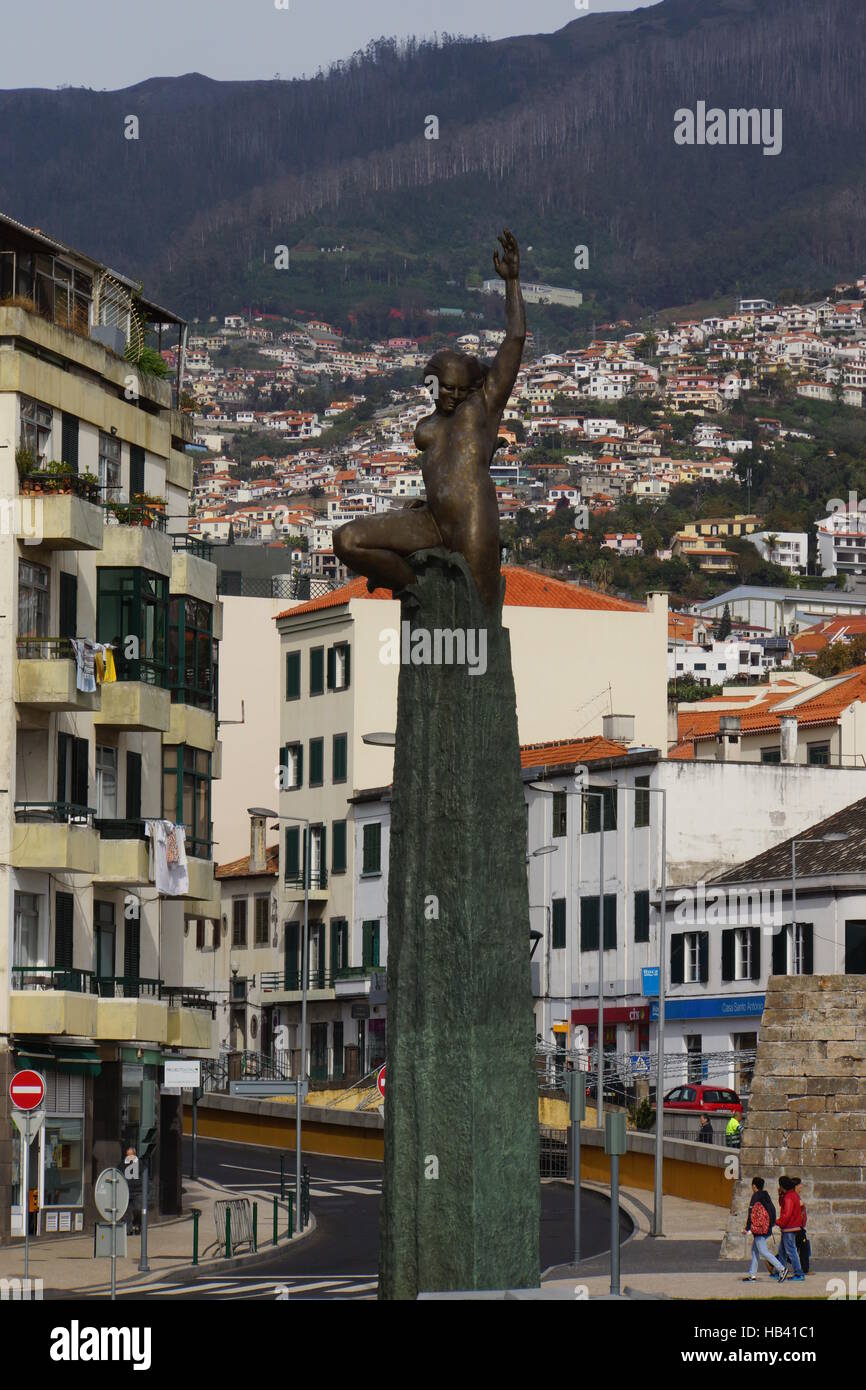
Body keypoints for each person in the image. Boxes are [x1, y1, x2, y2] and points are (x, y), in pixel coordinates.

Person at [333, 230, 526, 613]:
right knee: (347, 540)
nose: (452, 397)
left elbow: (515, 337)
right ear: (432, 385)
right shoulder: (430, 424)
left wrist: (512, 281)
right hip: (431, 521)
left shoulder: (483, 406)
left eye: (459, 390)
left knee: (477, 615)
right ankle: (416, 589)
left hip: (472, 520)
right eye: (445, 390)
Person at [743, 1177, 787, 1282]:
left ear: (754, 1186)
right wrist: (770, 1225)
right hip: (767, 1228)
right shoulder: (766, 1196)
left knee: (763, 1251)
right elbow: (773, 1211)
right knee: (754, 1251)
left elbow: (751, 1214)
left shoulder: (756, 1197)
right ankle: (752, 1275)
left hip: (759, 1230)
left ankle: (782, 1269)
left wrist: (747, 1228)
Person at [775, 1176, 806, 1280]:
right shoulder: (792, 1195)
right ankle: (780, 1271)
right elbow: (782, 1204)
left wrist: (778, 1222)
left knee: (791, 1251)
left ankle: (799, 1273)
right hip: (791, 1227)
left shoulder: (789, 1197)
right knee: (782, 1251)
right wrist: (780, 1194)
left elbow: (787, 1214)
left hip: (789, 1227)